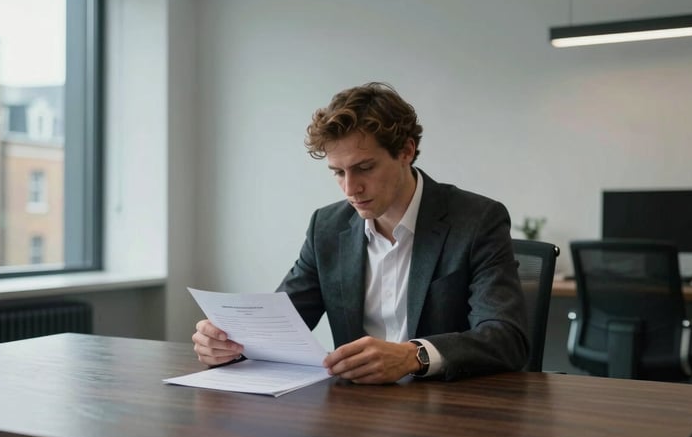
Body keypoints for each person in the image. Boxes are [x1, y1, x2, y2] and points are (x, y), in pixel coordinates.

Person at [193, 82, 529, 384]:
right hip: (356, 411)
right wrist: (229, 344)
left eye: (364, 168)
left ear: (406, 152)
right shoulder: (326, 227)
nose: (350, 188)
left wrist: (414, 356)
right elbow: (282, 326)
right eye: (338, 172)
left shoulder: (477, 220)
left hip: (449, 411)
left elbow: (505, 337)